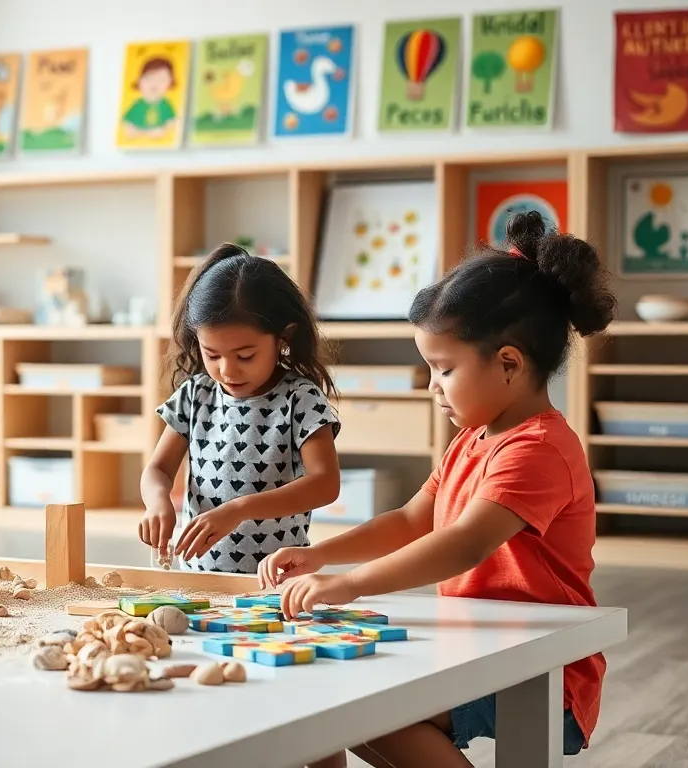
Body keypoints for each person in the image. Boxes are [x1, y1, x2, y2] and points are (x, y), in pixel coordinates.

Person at [259, 211, 616, 767]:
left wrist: (349, 584)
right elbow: (410, 521)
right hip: (475, 647)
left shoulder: (538, 449)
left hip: (541, 661)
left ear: (508, 364)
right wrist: (316, 556)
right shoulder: (474, 437)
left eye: (442, 369)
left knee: (365, 710)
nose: (432, 388)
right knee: (341, 705)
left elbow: (464, 542)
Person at [139, 243, 342, 575]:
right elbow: (157, 471)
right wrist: (157, 501)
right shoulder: (195, 394)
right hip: (199, 578)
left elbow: (325, 483)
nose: (228, 370)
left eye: (245, 356)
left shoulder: (299, 398)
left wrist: (240, 509)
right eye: (212, 354)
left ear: (283, 337)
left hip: (278, 581)